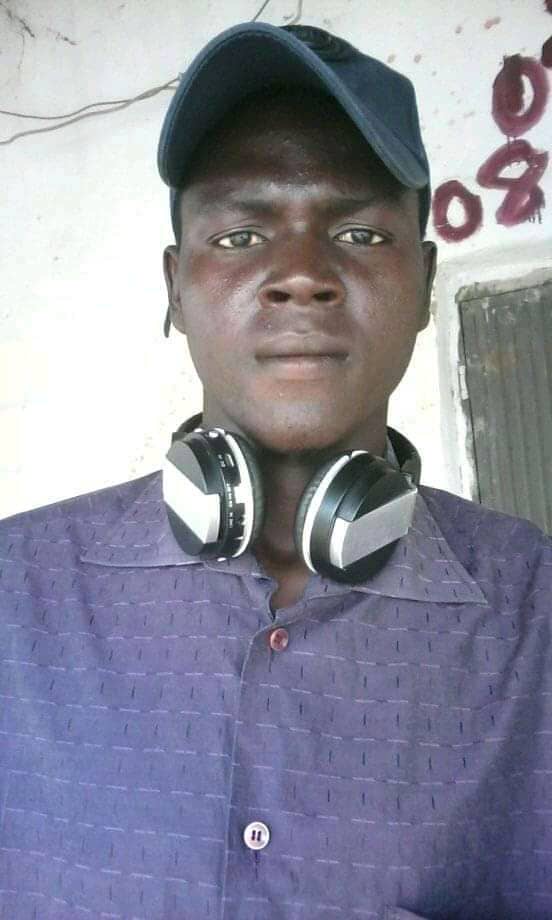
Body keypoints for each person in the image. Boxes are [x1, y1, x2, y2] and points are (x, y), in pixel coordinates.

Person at [0, 20, 550, 920]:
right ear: (176, 288)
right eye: (240, 234)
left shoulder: (537, 615)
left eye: (363, 234)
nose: (301, 274)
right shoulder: (13, 599)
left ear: (424, 281)